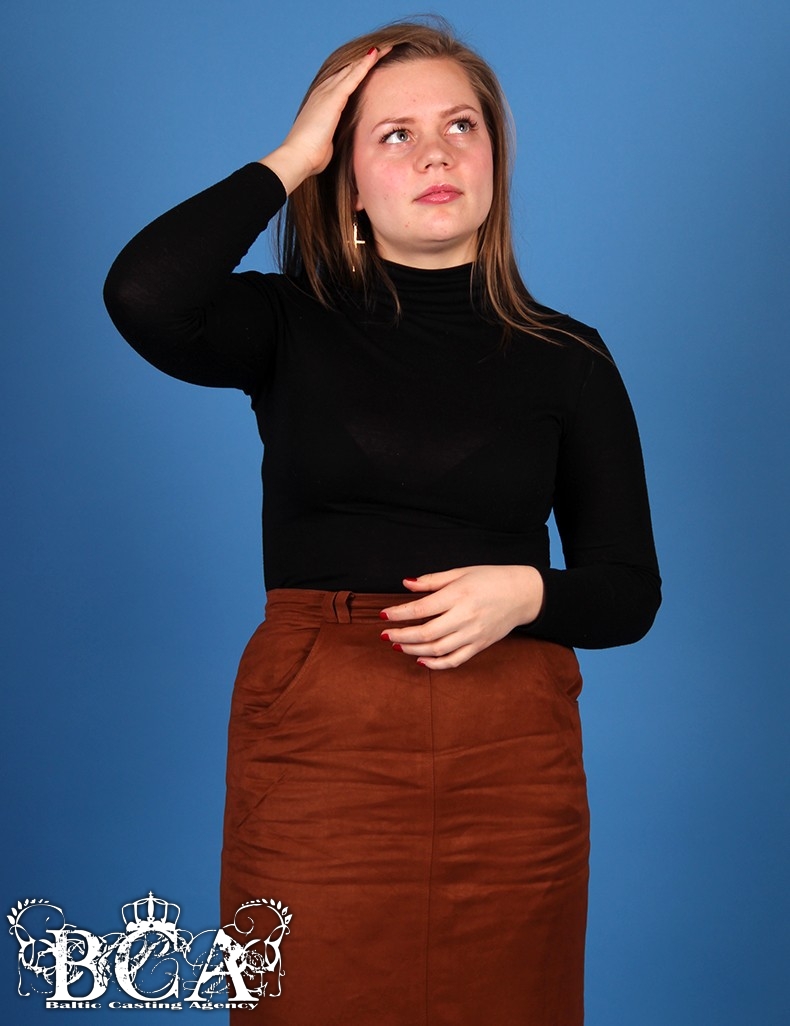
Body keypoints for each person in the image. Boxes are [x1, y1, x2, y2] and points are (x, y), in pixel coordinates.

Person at [104, 18, 660, 1025]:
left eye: (460, 125)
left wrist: (528, 593)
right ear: (347, 176)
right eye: (393, 134)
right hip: (320, 740)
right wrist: (292, 157)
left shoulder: (570, 357)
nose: (437, 153)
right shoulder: (285, 322)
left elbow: (628, 592)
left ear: (495, 155)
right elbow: (144, 294)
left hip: (511, 750)